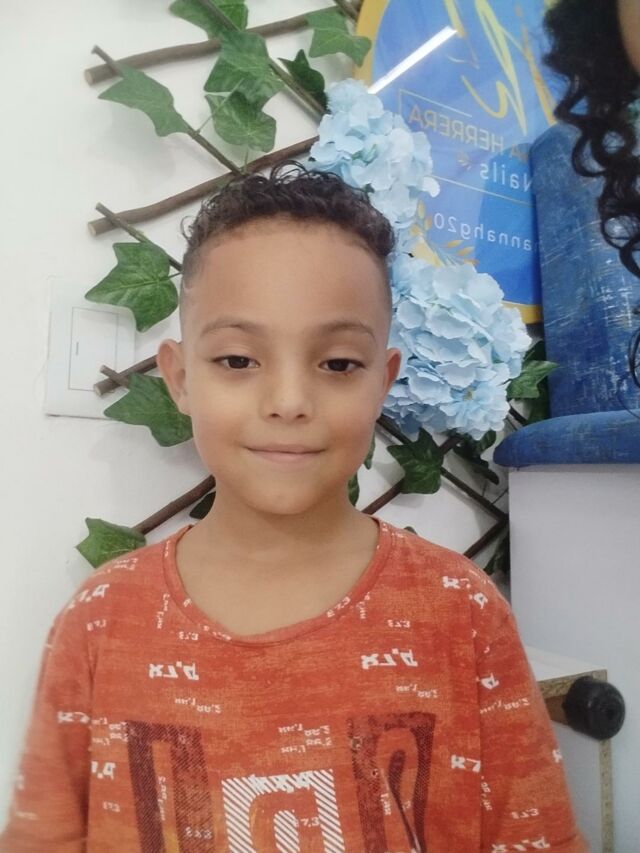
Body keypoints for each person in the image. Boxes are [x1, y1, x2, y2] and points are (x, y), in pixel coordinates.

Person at [0, 162, 588, 851]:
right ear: (180, 378)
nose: (288, 401)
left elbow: (535, 835)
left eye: (337, 363)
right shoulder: (101, 620)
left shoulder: (460, 610)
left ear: (382, 381)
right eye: (238, 360)